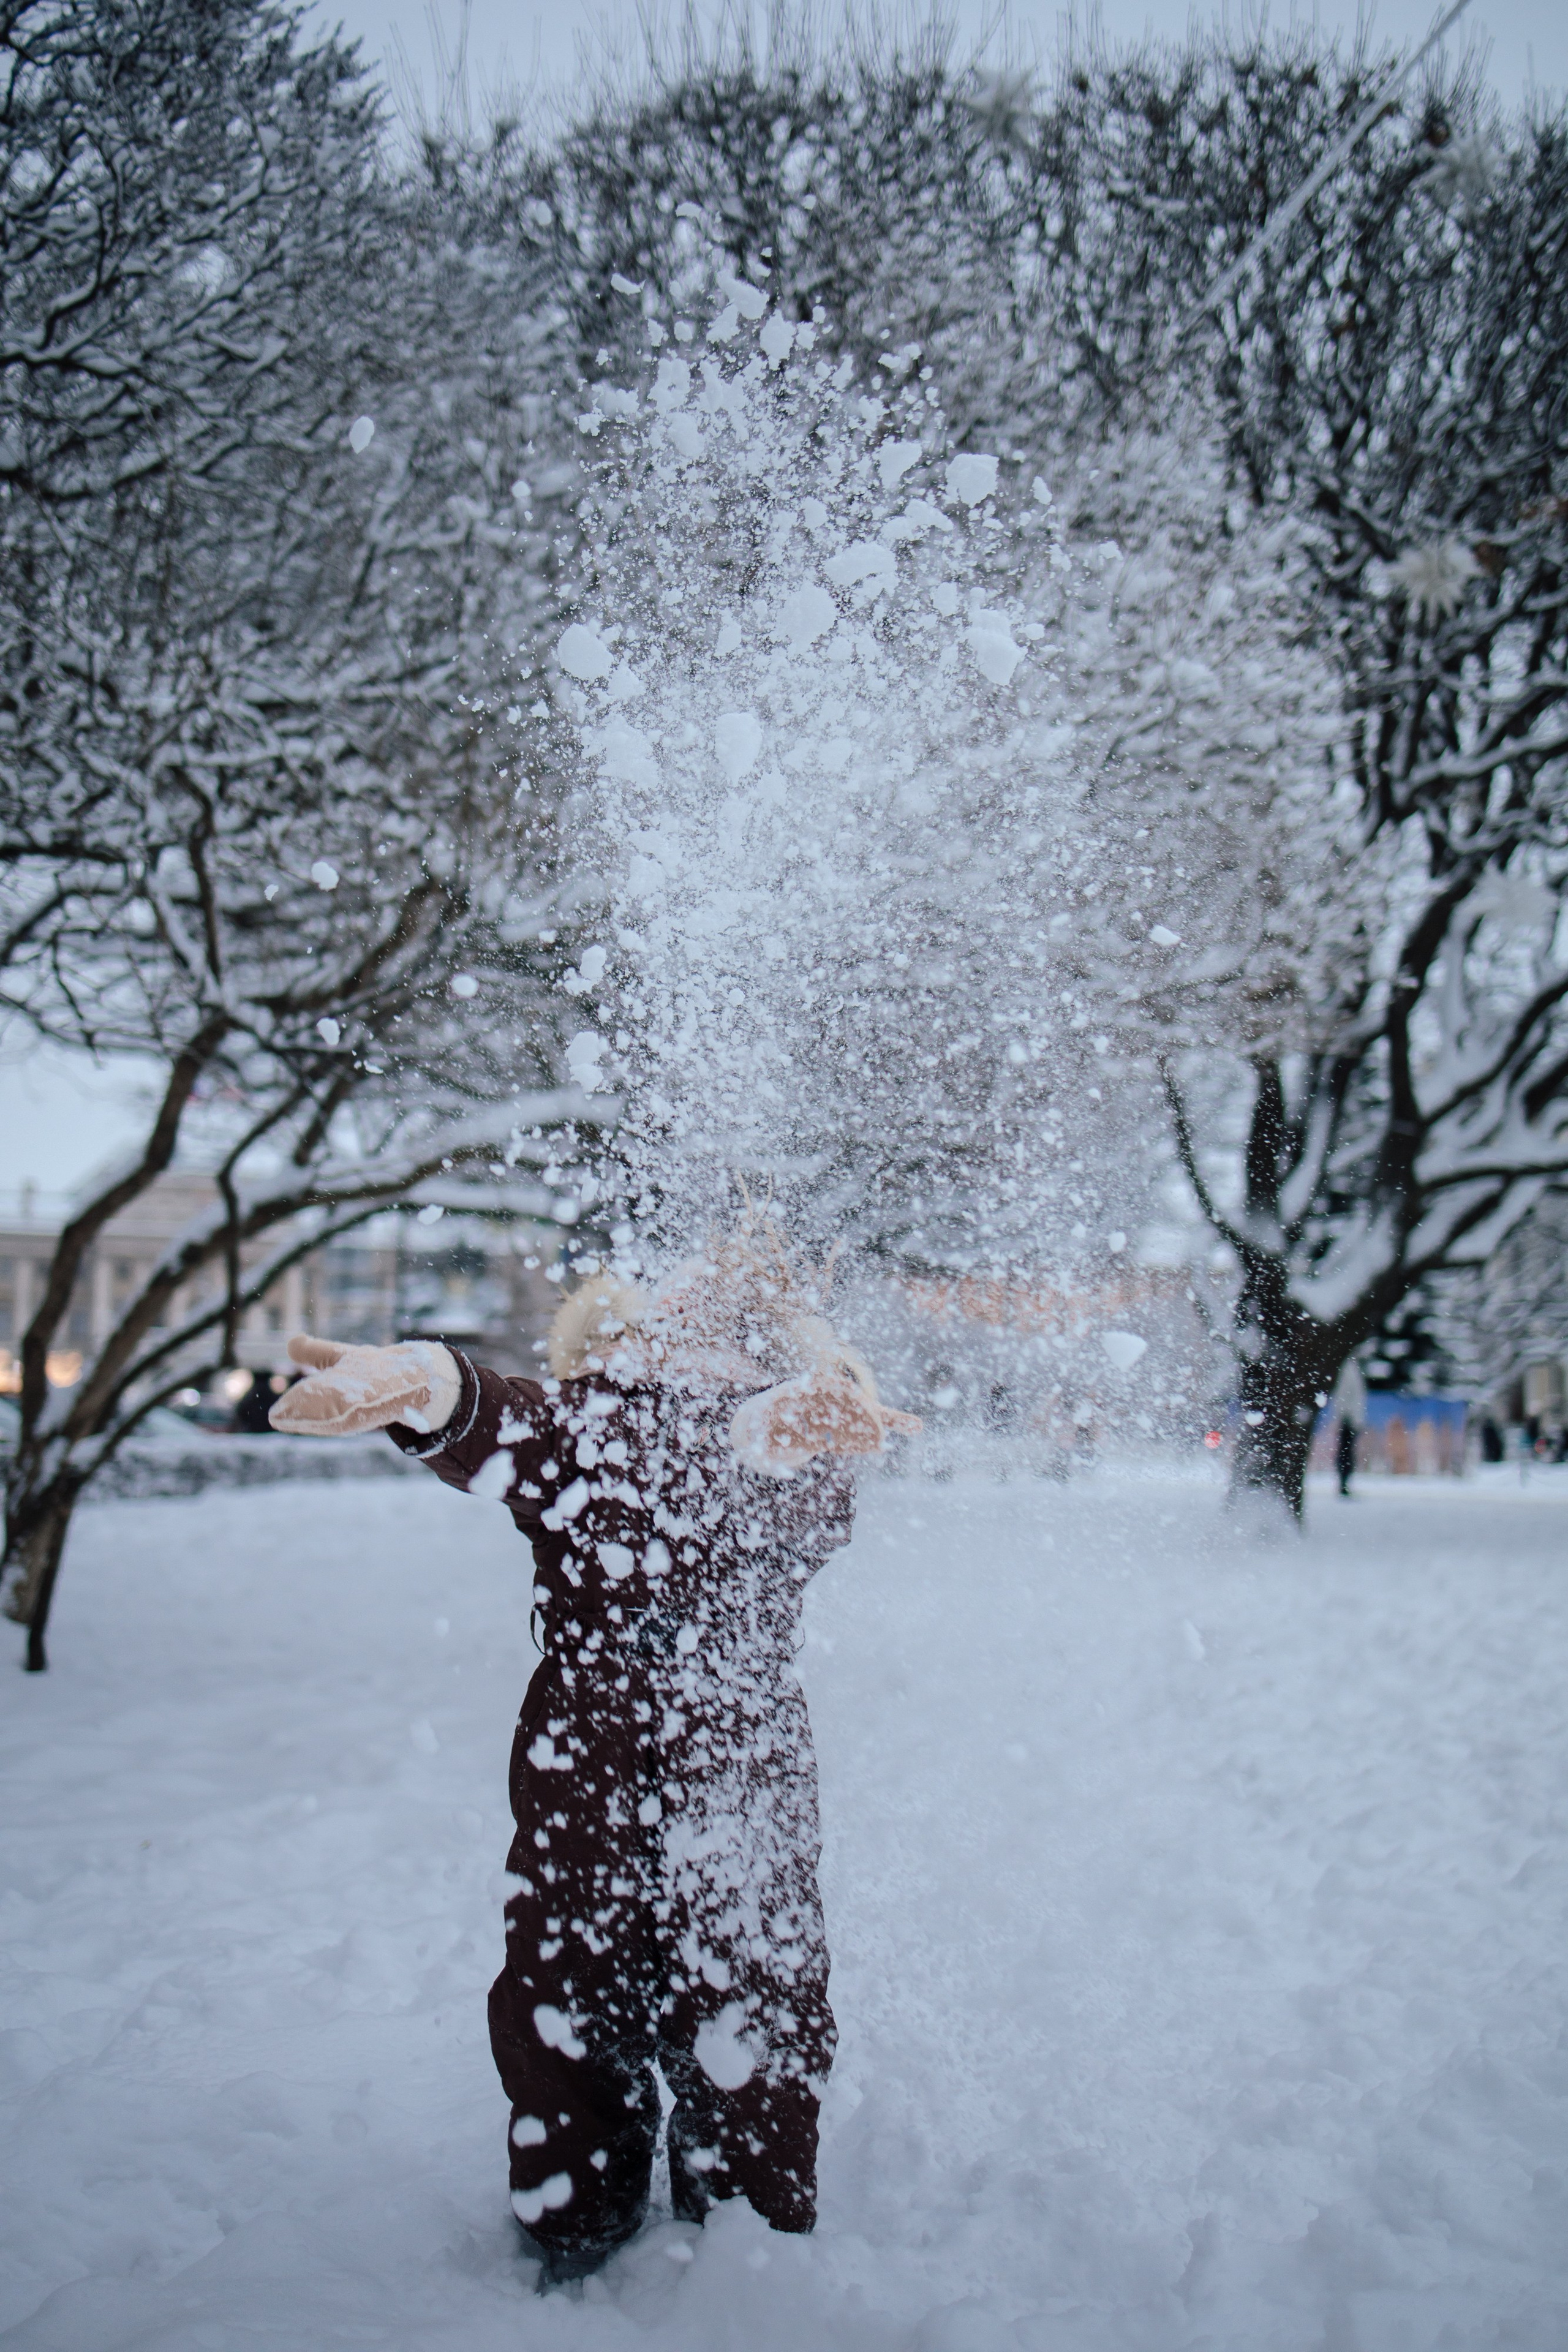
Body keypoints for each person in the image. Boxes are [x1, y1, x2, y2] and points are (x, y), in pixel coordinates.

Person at [270, 1223, 918, 2288]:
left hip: (737, 1746)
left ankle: (751, 2221)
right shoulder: (588, 1422)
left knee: (754, 1983)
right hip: (588, 1750)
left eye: (719, 1306)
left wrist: (799, 1425)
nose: (685, 1313)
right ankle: (576, 2206)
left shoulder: (793, 1422)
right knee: (567, 1977)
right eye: (668, 1299)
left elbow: (807, 1500)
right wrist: (428, 1384)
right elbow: (502, 1420)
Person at [1332, 1356, 1367, 1498]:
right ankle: (1343, 1483)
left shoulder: (1349, 1367)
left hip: (1348, 1418)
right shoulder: (1350, 1368)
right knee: (1346, 1453)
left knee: (1346, 1452)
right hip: (1349, 1419)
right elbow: (1348, 1396)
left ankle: (1344, 1483)